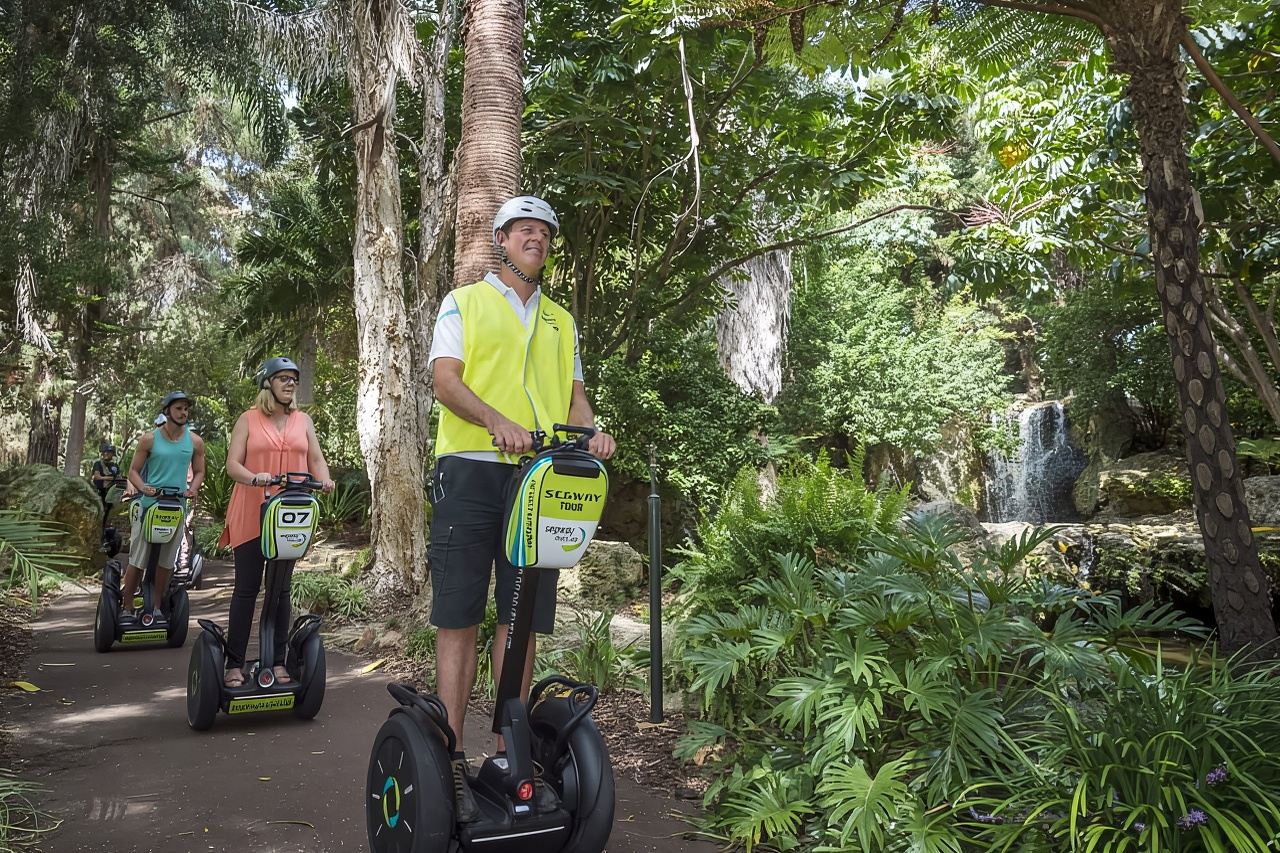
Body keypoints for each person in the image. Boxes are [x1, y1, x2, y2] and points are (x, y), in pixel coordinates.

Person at [428, 195, 616, 820]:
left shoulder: (561, 319)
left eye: (544, 232)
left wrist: (592, 433)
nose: (535, 238)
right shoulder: (465, 302)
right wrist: (495, 421)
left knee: (524, 614)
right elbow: (446, 380)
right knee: (459, 611)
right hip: (472, 469)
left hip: (542, 477)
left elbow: (574, 397)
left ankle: (512, 748)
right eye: (524, 230)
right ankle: (450, 750)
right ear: (501, 239)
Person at [219, 357, 334, 688]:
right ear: (267, 383)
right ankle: (235, 664)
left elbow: (315, 459)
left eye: (293, 380)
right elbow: (232, 465)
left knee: (281, 589)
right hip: (251, 511)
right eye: (283, 378)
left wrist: (324, 480)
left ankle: (277, 660)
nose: (290, 384)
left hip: (288, 517)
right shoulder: (248, 419)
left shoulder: (303, 421)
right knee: (247, 588)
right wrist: (255, 478)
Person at [123, 392, 206, 618]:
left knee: (166, 562)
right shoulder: (149, 439)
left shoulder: (195, 442)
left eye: (186, 409)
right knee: (138, 559)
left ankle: (157, 607)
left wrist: (193, 488)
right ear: (167, 410)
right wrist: (142, 487)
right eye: (179, 408)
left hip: (175, 507)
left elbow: (199, 472)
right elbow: (133, 471)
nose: (184, 413)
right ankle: (127, 605)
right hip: (149, 505)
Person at [90, 442, 121, 507]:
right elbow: (97, 477)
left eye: (108, 452)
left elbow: (119, 478)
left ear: (112, 454)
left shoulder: (115, 465)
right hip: (99, 492)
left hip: (111, 493)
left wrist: (104, 477)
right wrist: (112, 478)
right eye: (104, 452)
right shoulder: (98, 464)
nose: (106, 453)